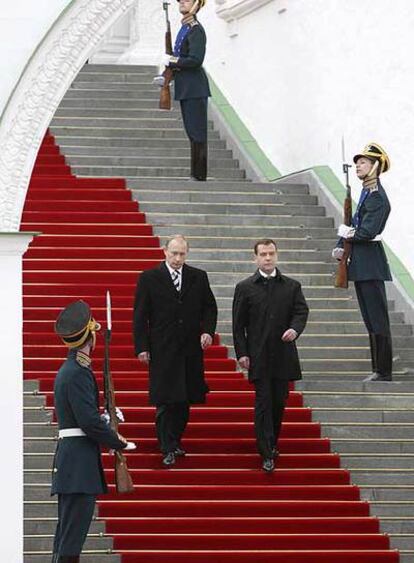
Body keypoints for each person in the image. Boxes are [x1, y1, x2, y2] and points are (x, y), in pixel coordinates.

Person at [51, 300, 129, 563]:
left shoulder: (72, 369)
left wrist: (105, 419)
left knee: (66, 536)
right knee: (71, 541)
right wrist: (116, 440)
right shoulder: (78, 372)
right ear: (90, 335)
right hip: (78, 466)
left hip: (73, 463)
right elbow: (88, 422)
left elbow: (85, 417)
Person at [133, 234, 217, 466]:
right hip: (162, 349)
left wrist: (207, 331)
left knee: (184, 399)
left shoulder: (198, 277)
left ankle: (175, 440)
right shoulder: (149, 278)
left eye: (182, 254)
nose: (178, 258)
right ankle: (166, 446)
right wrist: (142, 347)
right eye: (174, 253)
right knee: (165, 399)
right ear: (165, 252)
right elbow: (140, 316)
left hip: (190, 349)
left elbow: (209, 308)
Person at [232, 239, 309, 472]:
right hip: (258, 356)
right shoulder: (245, 287)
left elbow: (301, 311)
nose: (267, 258)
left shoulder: (291, 286)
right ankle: (265, 451)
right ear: (254, 257)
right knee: (263, 404)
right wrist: (242, 353)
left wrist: (294, 329)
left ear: (277, 255)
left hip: (283, 355)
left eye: (271, 253)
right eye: (263, 254)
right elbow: (238, 325)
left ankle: (272, 442)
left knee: (278, 403)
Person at [333, 142, 393, 382]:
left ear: (376, 166)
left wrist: (346, 235)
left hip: (371, 264)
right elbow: (353, 222)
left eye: (364, 162)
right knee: (370, 319)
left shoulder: (377, 197)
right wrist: (341, 243)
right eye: (358, 162)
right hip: (361, 264)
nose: (359, 165)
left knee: (378, 319)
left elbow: (366, 232)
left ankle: (383, 370)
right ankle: (377, 368)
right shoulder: (366, 192)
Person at [158, 0, 210, 181]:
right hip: (187, 87)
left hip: (194, 87)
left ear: (197, 4)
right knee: (192, 131)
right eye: (180, 1)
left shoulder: (196, 29)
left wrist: (172, 61)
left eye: (187, 0)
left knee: (197, 132)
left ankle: (199, 175)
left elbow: (196, 60)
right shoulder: (185, 28)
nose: (181, 3)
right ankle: (195, 173)